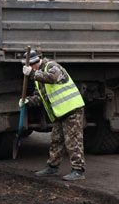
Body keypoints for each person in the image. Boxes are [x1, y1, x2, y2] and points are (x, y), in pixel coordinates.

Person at [19, 49, 87, 181]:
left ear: (36, 62)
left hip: (72, 108)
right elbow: (40, 97)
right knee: (56, 140)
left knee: (72, 140)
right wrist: (27, 101)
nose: (32, 68)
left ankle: (78, 170)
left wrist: (33, 74)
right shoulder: (38, 77)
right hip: (59, 112)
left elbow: (52, 78)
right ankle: (52, 167)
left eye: (32, 65)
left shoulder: (51, 66)